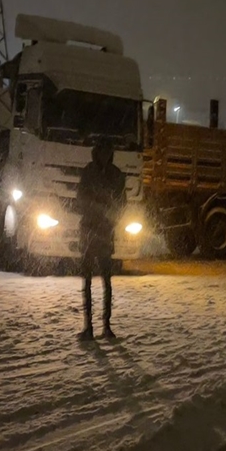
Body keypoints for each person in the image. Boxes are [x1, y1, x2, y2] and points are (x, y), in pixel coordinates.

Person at [76, 141, 127, 340]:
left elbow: (121, 205)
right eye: (102, 152)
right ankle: (90, 326)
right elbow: (81, 200)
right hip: (91, 231)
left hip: (101, 232)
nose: (105, 155)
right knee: (90, 281)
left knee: (105, 281)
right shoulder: (94, 173)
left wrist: (109, 217)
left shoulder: (114, 174)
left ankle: (105, 326)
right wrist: (102, 210)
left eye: (107, 152)